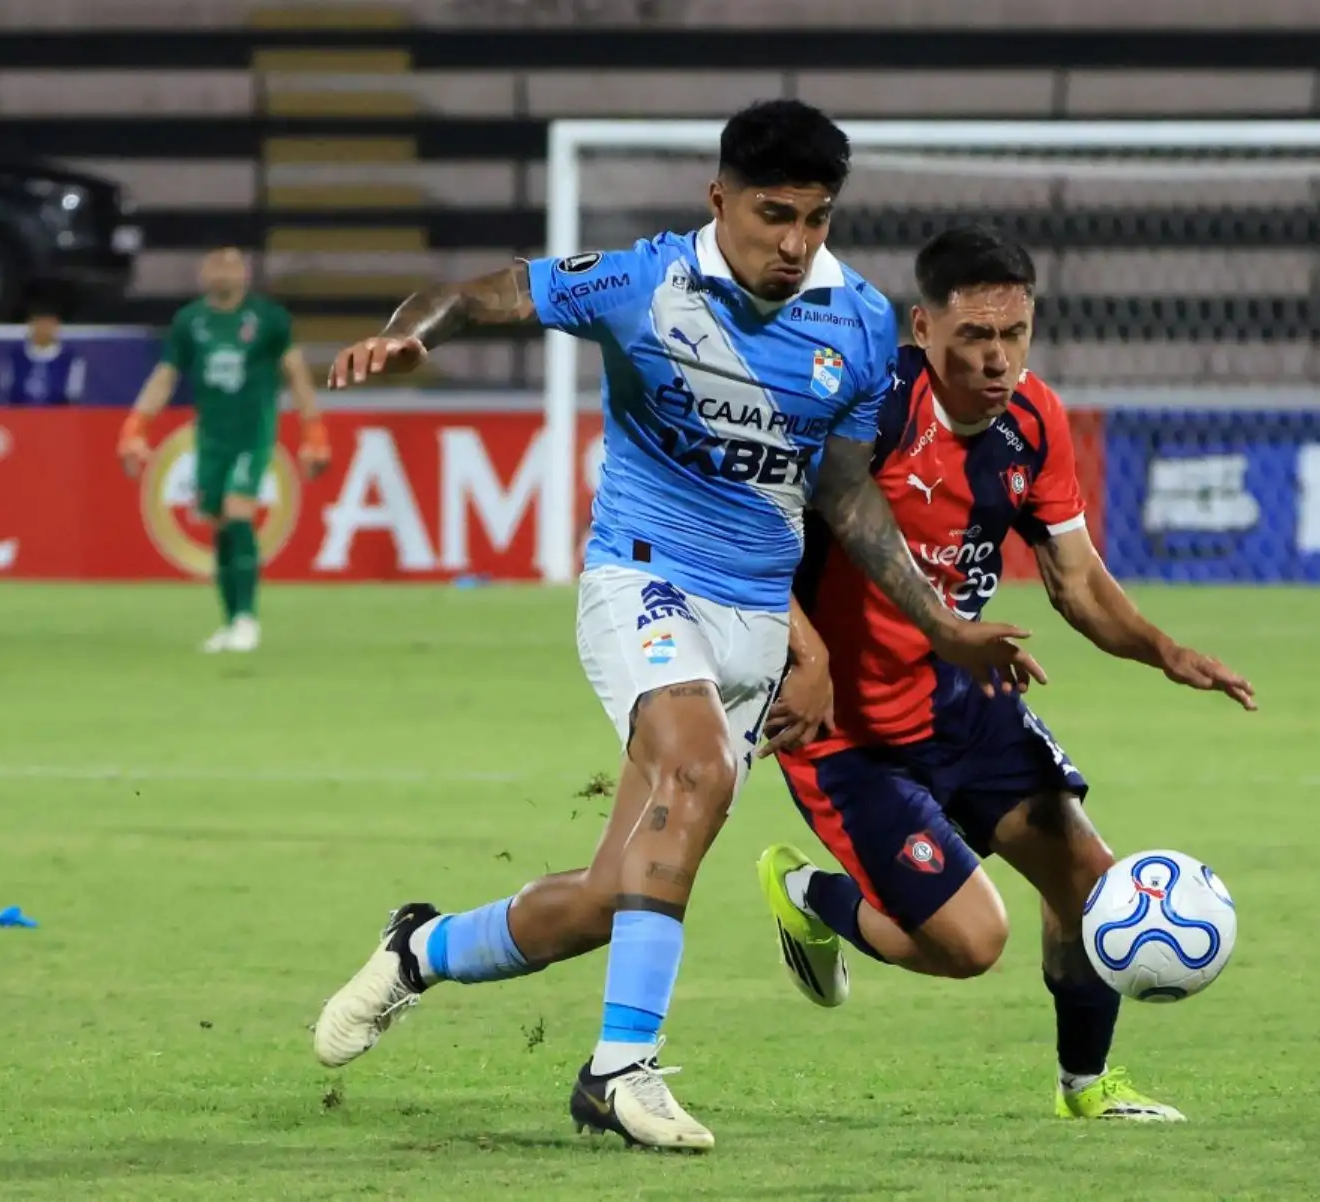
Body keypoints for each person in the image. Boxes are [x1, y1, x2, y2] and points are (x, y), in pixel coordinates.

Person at [309, 100, 1042, 1153]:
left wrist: (919, 626)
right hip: (642, 579)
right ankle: (619, 1071)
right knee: (693, 774)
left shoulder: (862, 323)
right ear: (720, 201)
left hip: (752, 620)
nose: (794, 243)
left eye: (817, 219)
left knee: (618, 893)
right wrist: (407, 335)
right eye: (774, 214)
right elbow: (480, 290)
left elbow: (839, 497)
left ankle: (419, 948)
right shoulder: (642, 282)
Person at [753, 227, 1256, 1122]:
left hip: (962, 694)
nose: (996, 360)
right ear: (922, 330)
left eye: (1013, 336)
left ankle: (1087, 1087)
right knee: (969, 943)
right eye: (973, 338)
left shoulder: (1035, 421)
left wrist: (1162, 649)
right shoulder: (870, 411)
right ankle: (814, 899)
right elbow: (753, 540)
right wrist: (808, 654)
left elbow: (1076, 583)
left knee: (1088, 880)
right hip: (846, 733)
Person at [116, 248, 331, 652]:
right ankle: (231, 621)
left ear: (245, 273)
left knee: (238, 511)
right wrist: (136, 425)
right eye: (215, 265)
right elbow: (165, 376)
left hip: (252, 431)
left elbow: (296, 373)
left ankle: (248, 620)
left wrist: (314, 431)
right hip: (211, 436)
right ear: (203, 273)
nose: (222, 272)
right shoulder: (190, 321)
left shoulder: (268, 320)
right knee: (217, 523)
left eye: (231, 265)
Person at [1, 299, 85, 406]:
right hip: (21, 418)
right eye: (39, 323)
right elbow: (8, 393)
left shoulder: (71, 360)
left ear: (56, 326)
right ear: (31, 325)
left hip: (58, 419)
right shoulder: (14, 358)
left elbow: (73, 397)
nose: (43, 328)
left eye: (48, 324)